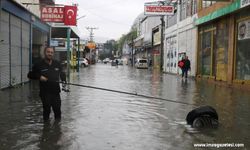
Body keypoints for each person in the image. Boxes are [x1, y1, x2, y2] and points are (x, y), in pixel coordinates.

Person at [28, 47, 66, 121]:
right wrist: (39, 77)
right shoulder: (38, 64)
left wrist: (64, 81)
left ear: (53, 54)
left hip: (56, 92)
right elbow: (30, 75)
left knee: (58, 112)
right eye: (48, 52)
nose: (50, 54)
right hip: (45, 93)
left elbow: (62, 74)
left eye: (51, 52)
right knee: (47, 111)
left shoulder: (57, 63)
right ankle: (46, 129)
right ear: (44, 53)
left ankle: (57, 129)